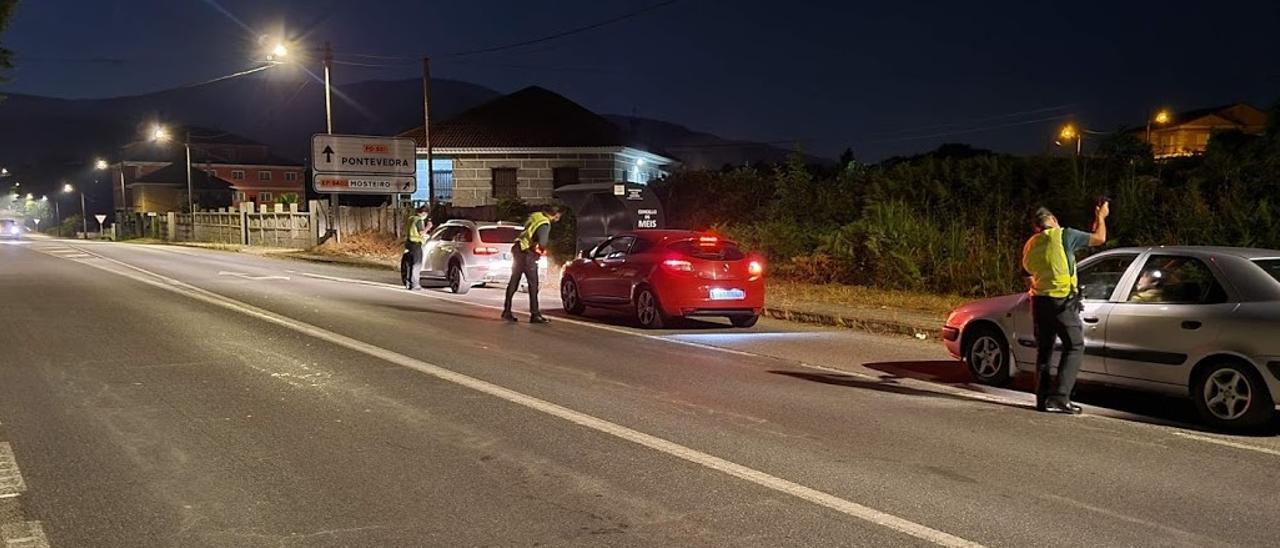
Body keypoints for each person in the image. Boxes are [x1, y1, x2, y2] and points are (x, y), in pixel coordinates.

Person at [1020, 201, 1109, 414]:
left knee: (1044, 350)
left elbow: (1026, 273)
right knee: (1075, 345)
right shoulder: (1064, 235)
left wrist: (1040, 287)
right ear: (1052, 220)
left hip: (1039, 302)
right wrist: (1102, 217)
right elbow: (1099, 238)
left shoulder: (1031, 243)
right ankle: (1060, 397)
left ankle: (1042, 400)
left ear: (1036, 227)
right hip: (1062, 302)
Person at [502, 204, 562, 324]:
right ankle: (535, 314)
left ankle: (507, 311)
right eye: (559, 215)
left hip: (518, 248)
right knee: (533, 285)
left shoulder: (536, 216)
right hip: (527, 253)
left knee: (514, 281)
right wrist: (541, 250)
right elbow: (542, 242)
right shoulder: (544, 223)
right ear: (556, 214)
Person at [400, 205, 432, 290]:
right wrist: (428, 227)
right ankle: (415, 284)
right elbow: (421, 232)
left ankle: (408, 283)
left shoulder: (411, 219)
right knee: (417, 264)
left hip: (409, 243)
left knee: (410, 264)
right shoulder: (418, 220)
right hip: (416, 244)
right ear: (424, 213)